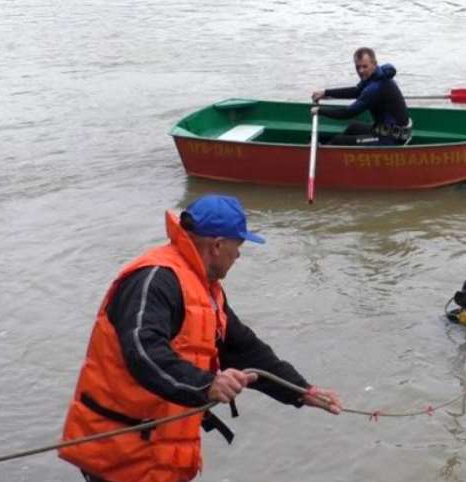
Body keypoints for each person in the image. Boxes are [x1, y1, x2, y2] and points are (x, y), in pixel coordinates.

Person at [59, 194, 342, 482]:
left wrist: (301, 391)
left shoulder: (203, 287)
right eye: (238, 246)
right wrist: (207, 384)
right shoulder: (154, 280)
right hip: (120, 452)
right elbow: (143, 352)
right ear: (217, 246)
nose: (239, 255)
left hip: (156, 451)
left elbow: (244, 349)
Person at [310, 47, 411, 146]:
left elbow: (348, 113)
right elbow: (356, 91)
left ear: (374, 64)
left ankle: (327, 149)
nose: (361, 71)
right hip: (385, 130)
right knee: (353, 128)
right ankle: (328, 146)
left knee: (339, 141)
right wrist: (325, 93)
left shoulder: (374, 88)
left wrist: (320, 111)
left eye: (364, 66)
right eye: (358, 67)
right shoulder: (376, 76)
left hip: (391, 138)